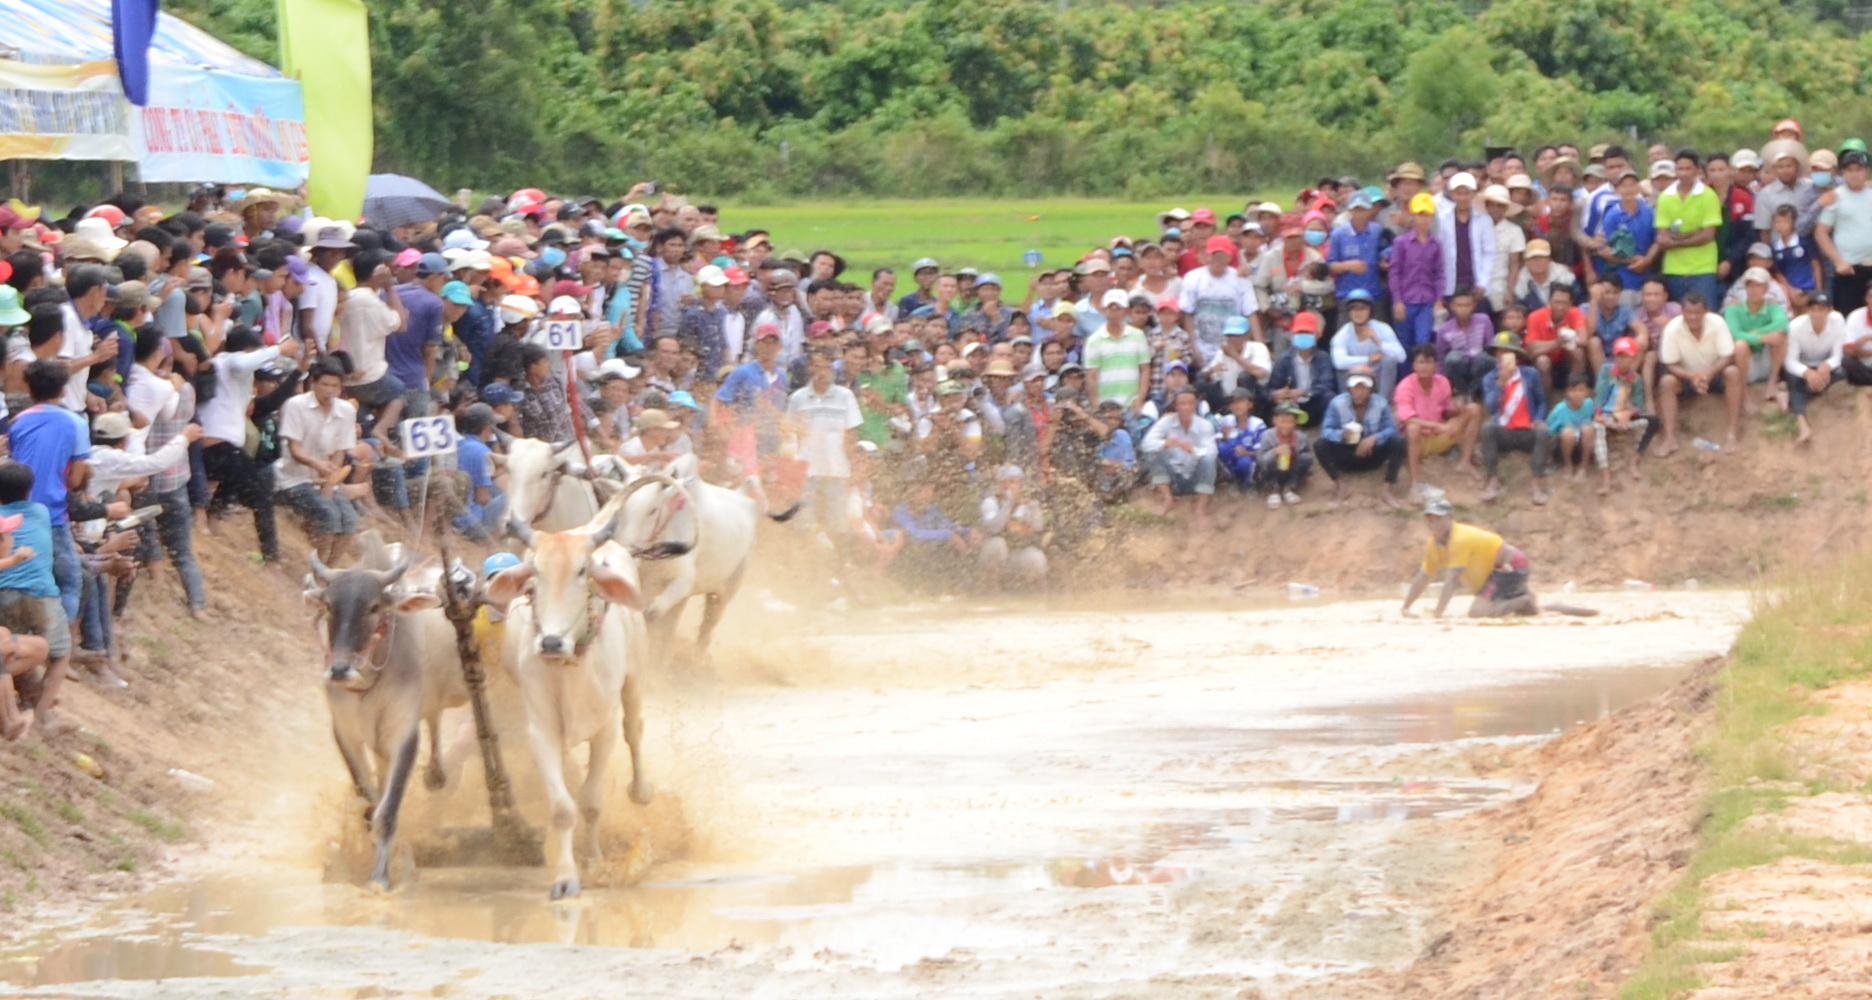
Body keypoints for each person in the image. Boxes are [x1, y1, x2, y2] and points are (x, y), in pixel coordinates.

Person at [1400, 496, 1598, 618]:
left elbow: (1452, 581)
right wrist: (1406, 607)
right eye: (1430, 519)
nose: (1433, 524)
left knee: (1478, 612)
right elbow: (1423, 576)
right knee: (1506, 609)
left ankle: (1524, 599)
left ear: (1450, 518)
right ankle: (1530, 603)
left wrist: (1437, 615)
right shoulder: (1435, 543)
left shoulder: (1459, 539)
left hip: (1510, 565)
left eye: (1438, 519)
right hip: (1497, 571)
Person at [0, 461, 72, 735]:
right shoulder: (40, 511)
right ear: (29, 493)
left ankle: (18, 706)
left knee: (12, 646)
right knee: (61, 653)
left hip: (3, 594)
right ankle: (44, 714)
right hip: (42, 596)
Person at [274, 359, 362, 565]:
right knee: (328, 515)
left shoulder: (346, 411)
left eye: (335, 386)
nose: (330, 391)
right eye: (325, 385)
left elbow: (340, 450)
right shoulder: (296, 405)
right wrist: (317, 465)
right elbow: (294, 448)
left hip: (325, 478)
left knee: (350, 521)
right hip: (294, 478)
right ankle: (318, 565)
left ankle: (330, 567)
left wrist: (331, 481)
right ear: (313, 383)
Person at [785, 348, 863, 535]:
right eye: (818, 367)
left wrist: (854, 466)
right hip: (806, 470)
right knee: (805, 522)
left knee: (837, 524)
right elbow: (791, 434)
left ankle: (836, 561)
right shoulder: (798, 399)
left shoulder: (845, 396)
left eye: (827, 367)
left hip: (836, 468)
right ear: (810, 368)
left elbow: (850, 434)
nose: (822, 372)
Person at [1656, 291, 1744, 455]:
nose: (1693, 317)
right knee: (1666, 382)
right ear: (1682, 312)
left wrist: (1709, 373)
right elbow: (1669, 364)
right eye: (1689, 312)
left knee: (1732, 372)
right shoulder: (1672, 329)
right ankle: (1669, 438)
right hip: (1686, 377)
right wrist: (1692, 376)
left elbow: (1728, 356)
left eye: (1697, 312)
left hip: (1715, 373)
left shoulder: (1717, 322)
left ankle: (1732, 433)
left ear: (1705, 312)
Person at [1395, 344, 1481, 498]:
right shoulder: (1404, 386)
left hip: (1440, 434)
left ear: (1436, 365)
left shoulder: (1442, 382)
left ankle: (1465, 462)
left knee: (1473, 409)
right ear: (1414, 365)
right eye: (1420, 362)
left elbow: (1446, 410)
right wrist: (1438, 426)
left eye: (1429, 362)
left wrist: (1458, 410)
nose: (1424, 367)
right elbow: (1407, 419)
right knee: (1413, 428)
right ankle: (1414, 483)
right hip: (1417, 440)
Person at [1478, 333, 1552, 504]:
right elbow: (1491, 407)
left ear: (1516, 356)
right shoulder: (1490, 378)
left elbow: (1541, 400)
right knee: (1487, 428)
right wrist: (1501, 383)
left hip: (1527, 430)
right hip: (1504, 431)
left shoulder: (1530, 374)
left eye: (1507, 352)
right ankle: (1492, 479)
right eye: (1500, 352)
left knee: (1543, 430)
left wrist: (1539, 418)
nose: (1503, 356)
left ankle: (1537, 483)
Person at [1316, 365, 1404, 507]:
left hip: (1372, 455)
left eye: (1363, 388)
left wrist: (1375, 438)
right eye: (1355, 387)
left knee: (1398, 442)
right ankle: (1340, 486)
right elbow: (1326, 430)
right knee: (1320, 444)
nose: (1359, 392)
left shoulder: (1380, 403)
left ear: (1371, 389)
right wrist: (1342, 435)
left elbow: (1391, 429)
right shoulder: (1337, 403)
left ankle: (1387, 488)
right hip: (1346, 455)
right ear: (1349, 388)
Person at [1140, 387, 1218, 529]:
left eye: (1190, 403)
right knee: (1153, 452)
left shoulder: (1205, 425)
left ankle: (1201, 508)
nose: (1186, 407)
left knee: (1208, 460)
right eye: (1182, 403)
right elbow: (1146, 444)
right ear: (1175, 405)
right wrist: (1164, 443)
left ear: (1196, 405)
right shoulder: (1166, 422)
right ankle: (1167, 498)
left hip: (1195, 478)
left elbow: (1212, 452)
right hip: (1173, 478)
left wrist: (1193, 450)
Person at [1654, 149, 1724, 305]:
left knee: (1705, 315)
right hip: (1674, 269)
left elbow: (1708, 235)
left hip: (1703, 268)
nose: (1684, 173)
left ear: (1697, 170)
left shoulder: (1708, 195)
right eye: (1680, 169)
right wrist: (1693, 233)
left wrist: (1676, 241)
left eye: (1688, 168)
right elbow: (1663, 238)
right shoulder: (1665, 197)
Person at [1722, 267, 1790, 409]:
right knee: (1740, 345)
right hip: (1746, 360)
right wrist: (1761, 338)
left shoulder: (1772, 305)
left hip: (1765, 357)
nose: (1753, 290)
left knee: (1780, 336)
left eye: (1758, 286)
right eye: (1749, 285)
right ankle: (1744, 393)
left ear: (1766, 288)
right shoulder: (1733, 309)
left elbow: (1783, 324)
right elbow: (1735, 333)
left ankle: (1773, 382)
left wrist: (1757, 332)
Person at [1783, 292, 1847, 444]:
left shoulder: (1838, 321)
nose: (1816, 314)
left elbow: (1838, 355)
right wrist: (1806, 373)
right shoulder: (1796, 327)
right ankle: (1802, 423)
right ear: (1807, 311)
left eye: (1821, 309)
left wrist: (1827, 365)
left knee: (1841, 373)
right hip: (1801, 365)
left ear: (1829, 310)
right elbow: (1790, 361)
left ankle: (1789, 399)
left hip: (1823, 364)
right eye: (1813, 309)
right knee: (1793, 378)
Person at [1593, 336, 1657, 486]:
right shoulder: (1606, 371)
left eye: (1628, 356)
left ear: (1634, 358)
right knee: (1597, 428)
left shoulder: (1636, 378)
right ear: (1616, 357)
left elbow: (1638, 404)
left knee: (1653, 421)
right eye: (1621, 356)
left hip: (1623, 416)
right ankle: (1605, 472)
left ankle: (1635, 458)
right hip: (1606, 416)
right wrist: (1598, 415)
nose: (1624, 360)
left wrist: (1628, 414)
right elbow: (1599, 394)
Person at [1817, 148, 1872, 320]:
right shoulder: (1836, 196)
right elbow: (1821, 232)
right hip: (1849, 269)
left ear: (1866, 171)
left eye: (1859, 169)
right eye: (1850, 170)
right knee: (1848, 317)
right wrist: (1838, 261)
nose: (1854, 174)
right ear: (1843, 172)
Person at [1083, 288, 1152, 418]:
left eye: (1118, 308)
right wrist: (1095, 407)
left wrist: (1140, 400)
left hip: (1131, 404)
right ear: (1104, 311)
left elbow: (1145, 369)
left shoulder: (1137, 336)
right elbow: (1091, 375)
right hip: (1106, 406)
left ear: (1126, 311)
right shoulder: (1094, 340)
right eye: (1111, 308)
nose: (1114, 312)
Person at [978, 466, 1047, 591]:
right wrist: (1009, 504)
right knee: (998, 544)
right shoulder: (990, 502)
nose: (1016, 486)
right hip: (992, 555)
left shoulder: (1024, 504)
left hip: (1014, 555)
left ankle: (1040, 596)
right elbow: (994, 527)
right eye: (1011, 482)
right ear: (1001, 484)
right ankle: (993, 589)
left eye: (1018, 482)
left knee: (1036, 557)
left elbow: (1038, 527)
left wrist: (1034, 507)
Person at [1388, 193, 1444, 348]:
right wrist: (1397, 301)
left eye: (1427, 215)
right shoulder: (1401, 243)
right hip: (1406, 300)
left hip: (1427, 301)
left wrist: (1438, 300)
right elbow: (1395, 273)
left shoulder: (1436, 244)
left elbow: (1439, 273)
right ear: (1412, 216)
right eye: (1420, 215)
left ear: (1432, 217)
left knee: (1422, 342)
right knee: (1403, 343)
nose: (1424, 219)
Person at [1328, 290, 1405, 396]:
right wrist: (1368, 359)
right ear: (1349, 312)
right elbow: (1338, 362)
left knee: (1389, 361)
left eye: (1363, 309)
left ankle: (1382, 402)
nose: (1358, 313)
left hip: (1376, 376)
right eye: (1354, 309)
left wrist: (1378, 342)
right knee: (1341, 371)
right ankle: (1348, 404)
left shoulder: (1383, 328)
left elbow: (1401, 357)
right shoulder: (1342, 334)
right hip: (1354, 377)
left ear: (1370, 311)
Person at [1268, 312, 1337, 427]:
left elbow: (1327, 384)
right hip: (1292, 406)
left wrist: (1305, 392)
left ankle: (1326, 429)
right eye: (1300, 332)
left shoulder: (1323, 357)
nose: (1303, 336)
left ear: (1318, 335)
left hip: (1314, 402)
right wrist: (1277, 394)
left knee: (1329, 397)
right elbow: (1271, 389)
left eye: (1308, 333)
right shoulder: (1284, 359)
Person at [1255, 402, 1314, 508]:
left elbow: (1309, 454)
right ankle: (1274, 490)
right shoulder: (1267, 436)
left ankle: (1289, 487)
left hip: (1292, 468)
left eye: (1290, 422)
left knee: (1305, 458)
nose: (1286, 425)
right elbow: (1260, 460)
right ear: (1274, 421)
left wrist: (1295, 453)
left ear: (1295, 423)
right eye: (1282, 421)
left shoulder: (1301, 437)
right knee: (1271, 461)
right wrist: (1274, 452)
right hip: (1273, 471)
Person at [1546, 373, 1598, 484]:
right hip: (1564, 446)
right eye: (1573, 390)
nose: (1577, 394)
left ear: (1587, 392)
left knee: (1588, 429)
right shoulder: (1559, 409)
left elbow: (1596, 418)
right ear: (1567, 392)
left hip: (1584, 444)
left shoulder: (1589, 404)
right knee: (1567, 432)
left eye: (1581, 390)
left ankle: (1583, 467)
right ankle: (1567, 465)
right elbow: (1549, 431)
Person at [1214, 388, 1266, 493]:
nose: (1237, 405)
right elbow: (1215, 444)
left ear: (1250, 404)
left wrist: (1247, 453)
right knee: (1223, 448)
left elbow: (1262, 450)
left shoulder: (1257, 424)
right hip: (1232, 458)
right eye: (1233, 403)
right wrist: (1224, 436)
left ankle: (1249, 482)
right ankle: (1233, 479)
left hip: (1250, 459)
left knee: (1245, 462)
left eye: (1241, 401)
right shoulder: (1226, 421)